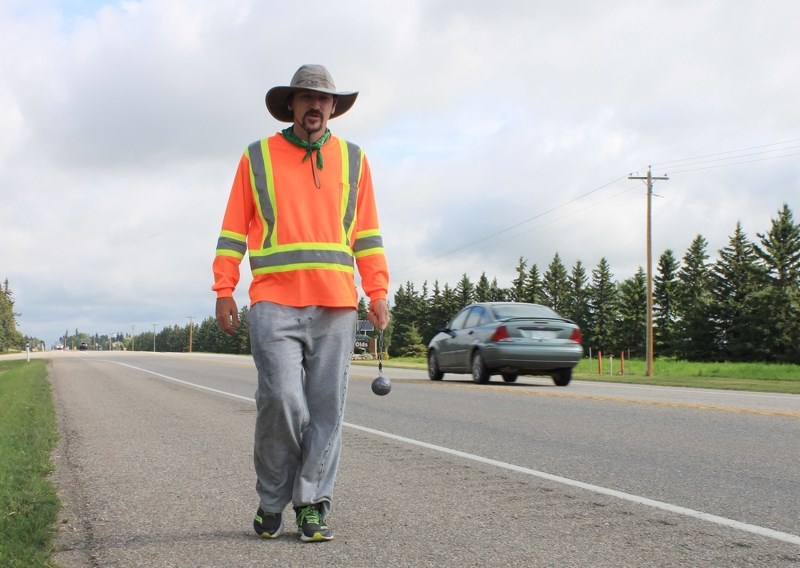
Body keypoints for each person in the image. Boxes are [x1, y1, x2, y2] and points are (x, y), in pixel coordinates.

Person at [212, 64, 390, 543]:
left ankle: (311, 502)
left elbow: (367, 234)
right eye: (306, 98)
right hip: (273, 301)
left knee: (327, 408)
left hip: (336, 305)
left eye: (325, 100)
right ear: (290, 104)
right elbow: (233, 229)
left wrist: (376, 291)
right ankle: (272, 500)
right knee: (280, 400)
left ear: (334, 108)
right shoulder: (257, 157)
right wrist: (223, 289)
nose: (316, 106)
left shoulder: (354, 160)